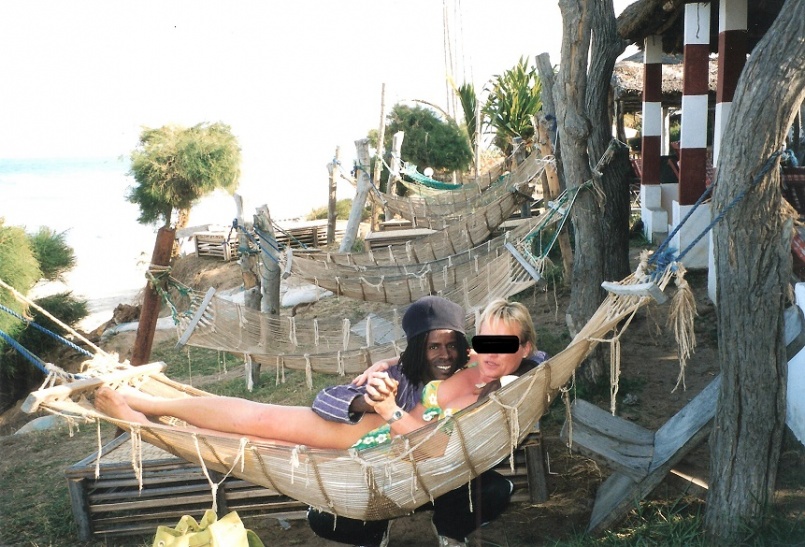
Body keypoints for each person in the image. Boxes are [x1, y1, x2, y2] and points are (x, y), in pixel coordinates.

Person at [94, 298, 545, 546]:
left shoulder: (501, 393)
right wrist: (388, 363)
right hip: (368, 433)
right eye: (487, 340)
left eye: (506, 344)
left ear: (524, 347)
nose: (492, 352)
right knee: (258, 420)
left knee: (254, 438)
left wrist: (390, 410)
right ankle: (147, 404)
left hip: (378, 449)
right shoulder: (479, 361)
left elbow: (435, 448)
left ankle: (142, 420)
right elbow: (441, 352)